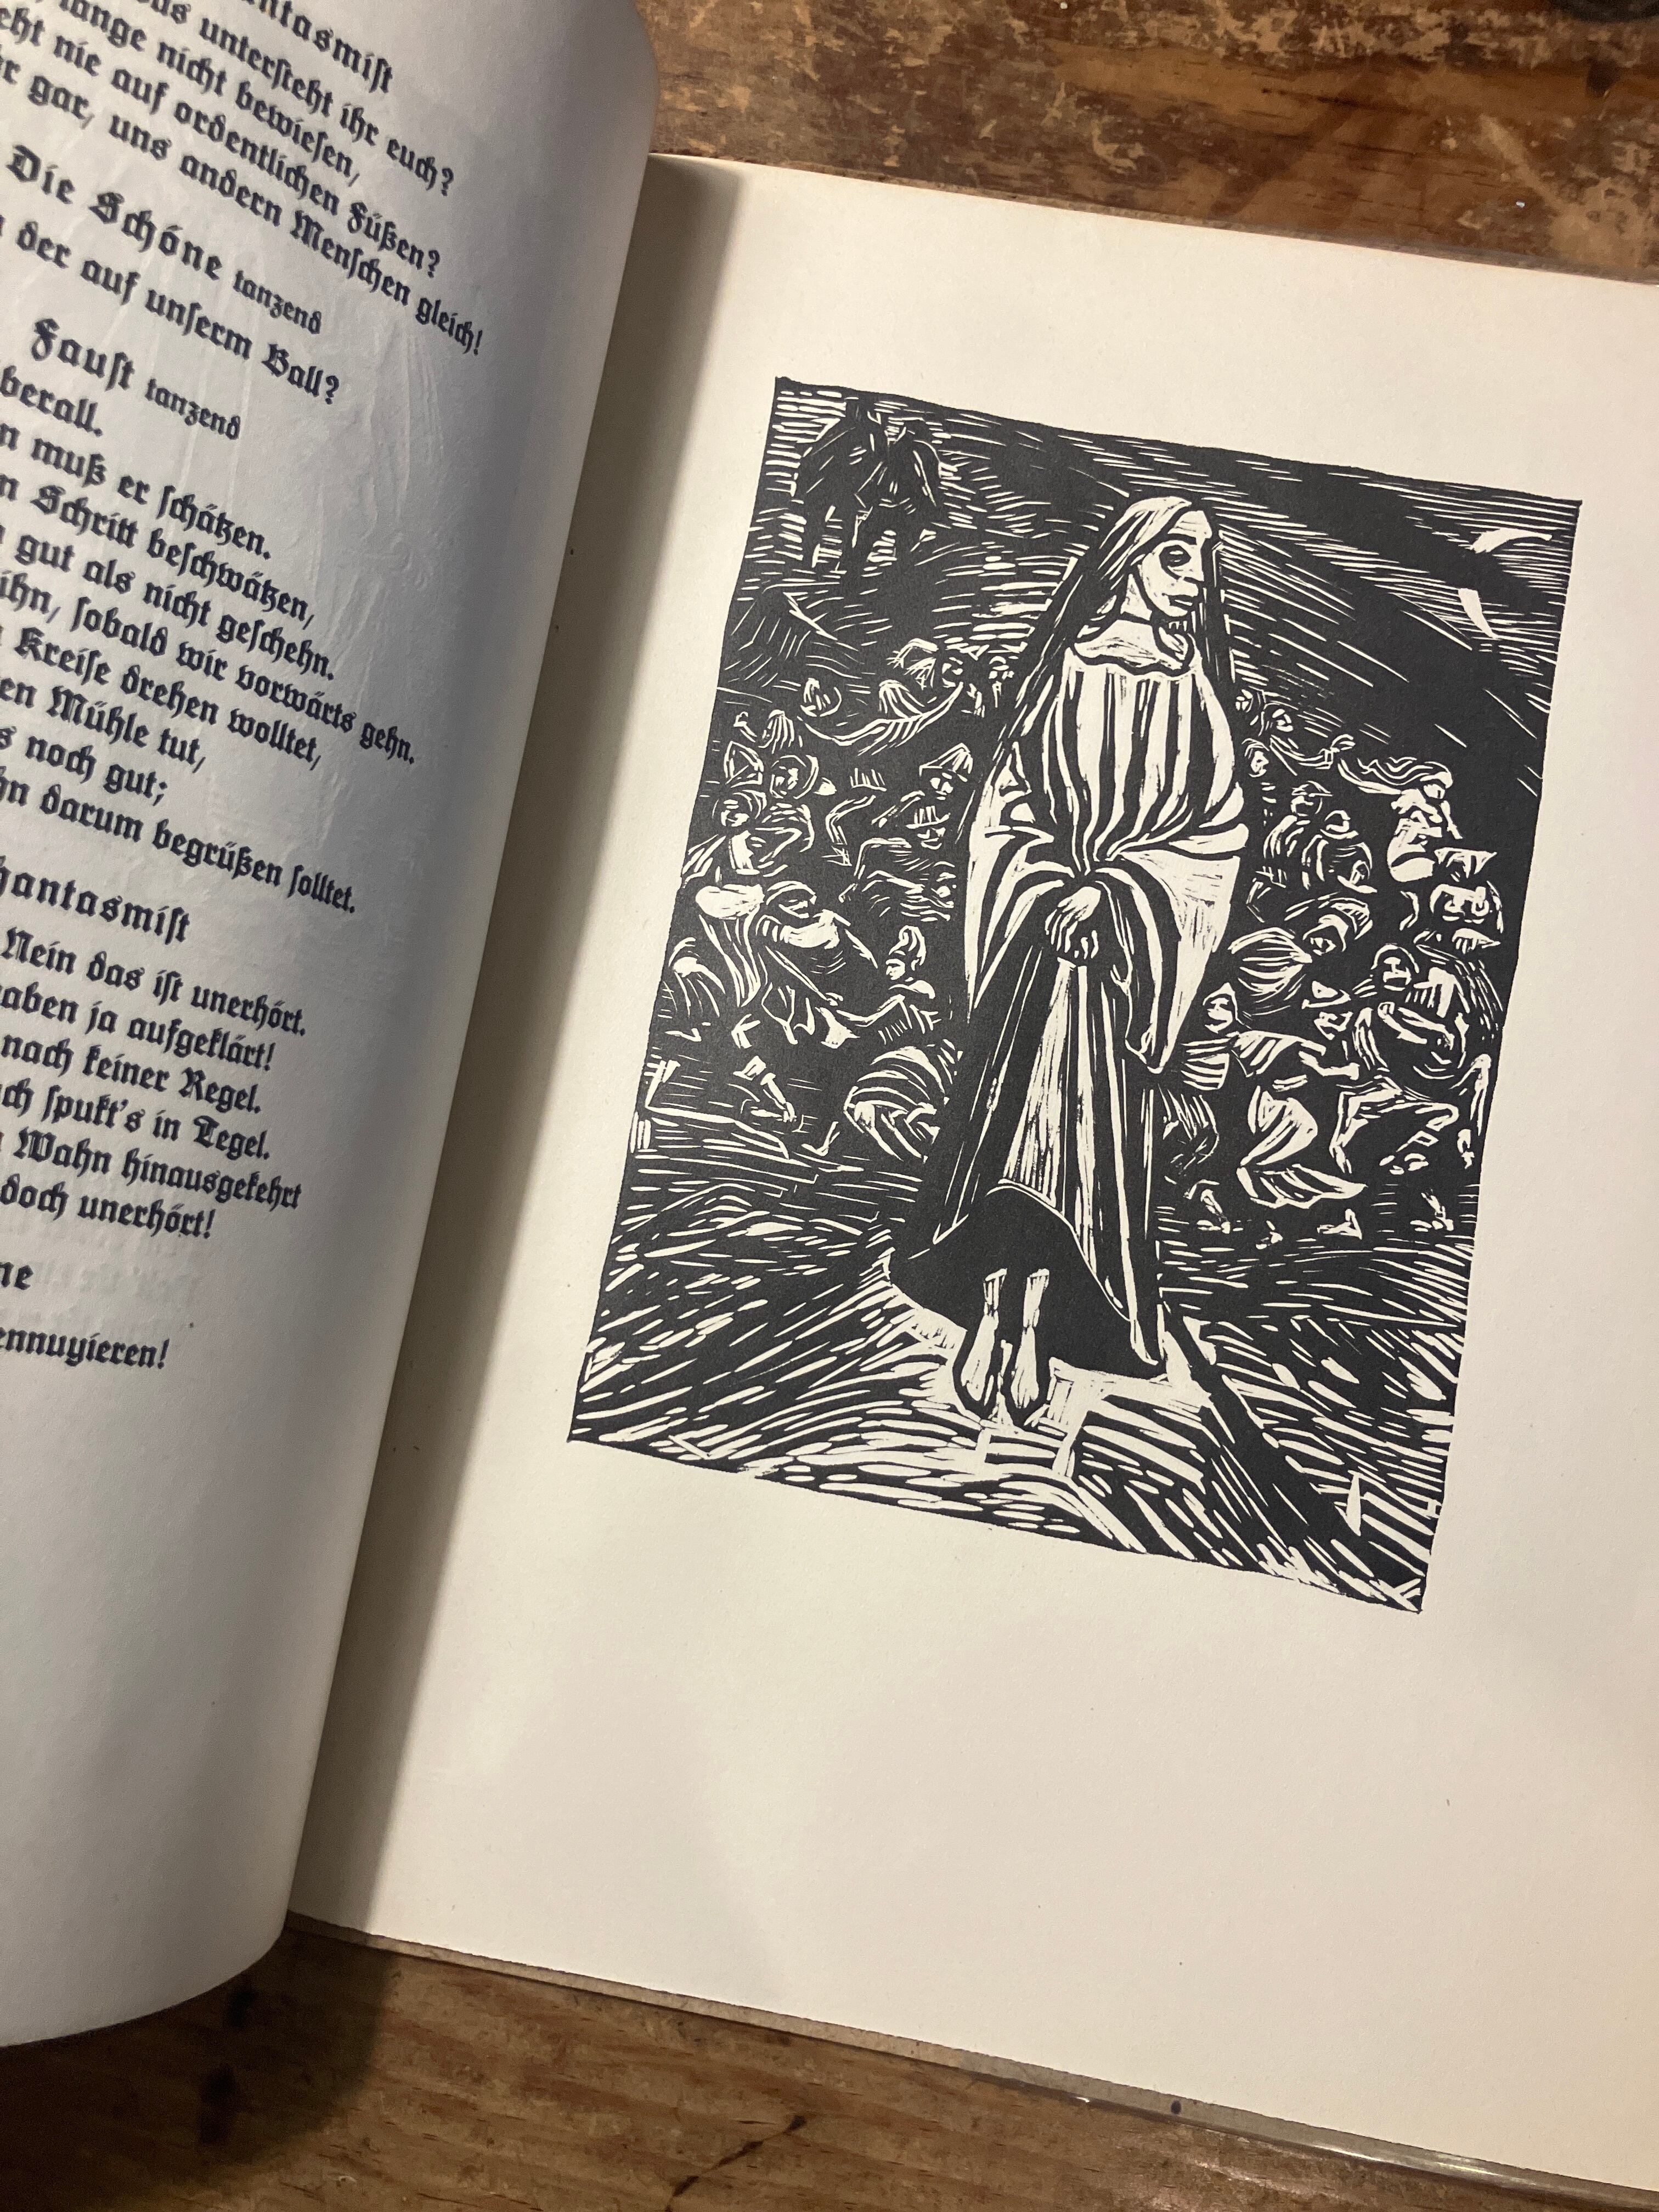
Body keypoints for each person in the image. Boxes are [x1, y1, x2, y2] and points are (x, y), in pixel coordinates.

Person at [892, 494, 1248, 1422]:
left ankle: (1035, 1309)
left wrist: (1117, 893)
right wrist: (1052, 887)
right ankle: (992, 1301)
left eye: (1203, 559)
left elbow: (1215, 835)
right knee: (1025, 1116)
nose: (1196, 578)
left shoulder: (1194, 693)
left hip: (1118, 962)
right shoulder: (1068, 669)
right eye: (1177, 557)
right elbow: (1007, 805)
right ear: (1129, 560)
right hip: (1043, 943)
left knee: (1075, 1130)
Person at [795, 397, 887, 569]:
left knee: (842, 525)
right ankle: (816, 563)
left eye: (852, 407)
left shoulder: (866, 430)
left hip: (843, 487)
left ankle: (832, 563)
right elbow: (820, 452)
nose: (849, 410)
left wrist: (862, 485)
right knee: (837, 525)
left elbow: (877, 462)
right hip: (835, 485)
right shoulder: (850, 428)